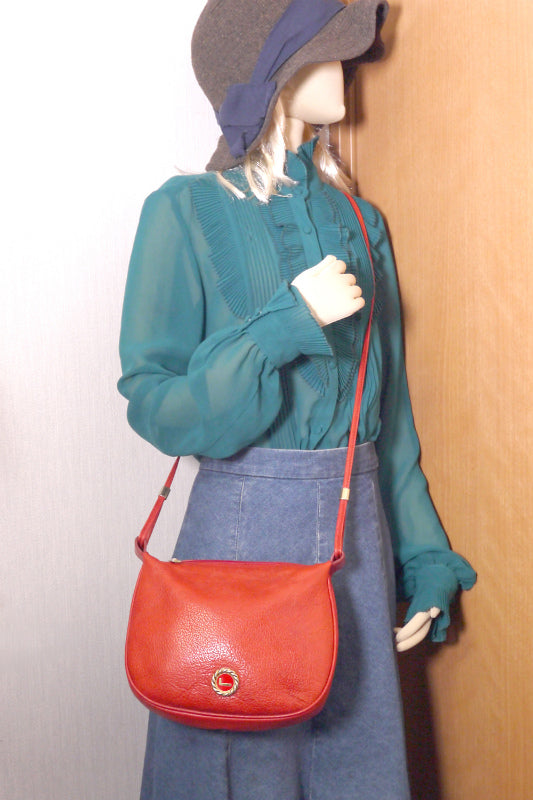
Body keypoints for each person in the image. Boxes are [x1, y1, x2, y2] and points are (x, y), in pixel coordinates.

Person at [118, 1, 476, 798]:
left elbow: (389, 423)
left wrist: (422, 557)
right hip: (240, 540)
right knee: (236, 766)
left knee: (353, 766)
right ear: (272, 74)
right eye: (326, 51)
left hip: (358, 537)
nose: (346, 67)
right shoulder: (183, 210)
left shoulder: (359, 220)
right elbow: (155, 403)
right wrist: (284, 325)